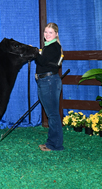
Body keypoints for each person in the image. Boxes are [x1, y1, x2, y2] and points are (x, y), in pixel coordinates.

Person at [35, 22, 64, 151]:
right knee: (51, 113)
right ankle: (51, 142)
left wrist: (34, 52)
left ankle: (55, 145)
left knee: (53, 114)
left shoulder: (53, 47)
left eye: (50, 32)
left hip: (49, 81)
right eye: (45, 32)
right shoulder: (48, 46)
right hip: (45, 81)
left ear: (56, 34)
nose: (47, 34)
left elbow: (41, 61)